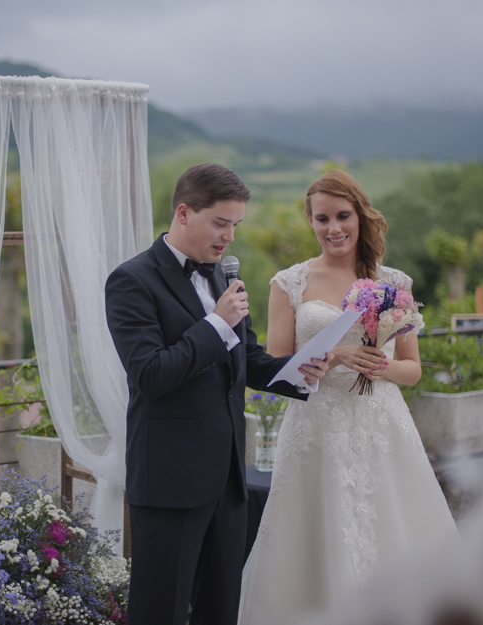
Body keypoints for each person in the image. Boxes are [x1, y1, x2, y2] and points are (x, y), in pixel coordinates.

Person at [105, 163, 332, 625]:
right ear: (184, 213)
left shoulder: (220, 277)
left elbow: (246, 359)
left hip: (229, 482)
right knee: (160, 612)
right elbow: (150, 374)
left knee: (220, 610)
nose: (230, 237)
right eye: (221, 223)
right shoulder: (131, 280)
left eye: (236, 225)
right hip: (170, 481)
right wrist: (214, 324)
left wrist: (300, 372)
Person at [238, 170, 459, 623]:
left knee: (394, 527)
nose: (334, 228)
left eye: (343, 216)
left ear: (360, 216)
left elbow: (412, 370)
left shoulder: (395, 281)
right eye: (322, 219)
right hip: (316, 425)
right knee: (312, 535)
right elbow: (276, 367)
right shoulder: (289, 283)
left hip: (381, 424)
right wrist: (335, 357)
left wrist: (380, 365)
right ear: (310, 221)